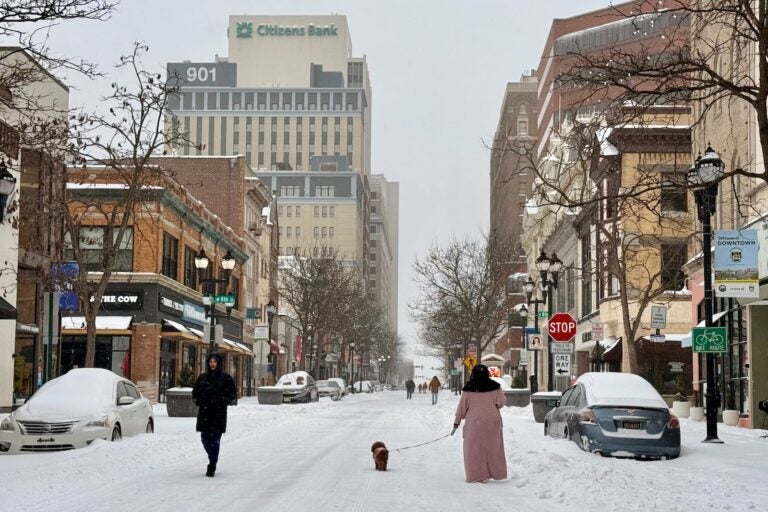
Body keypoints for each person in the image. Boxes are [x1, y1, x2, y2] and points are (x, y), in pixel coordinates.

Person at [451, 364, 507, 483]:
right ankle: (496, 472)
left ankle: (476, 475)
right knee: (494, 448)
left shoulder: (469, 388)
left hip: (474, 423)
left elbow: (461, 408)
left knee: (474, 449)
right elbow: (501, 403)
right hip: (492, 422)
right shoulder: (495, 387)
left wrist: (456, 423)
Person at [192, 352, 237, 478]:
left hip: (218, 414)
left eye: (215, 362)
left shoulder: (226, 378)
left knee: (215, 441)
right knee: (205, 439)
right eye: (210, 362)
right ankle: (212, 457)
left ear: (219, 363)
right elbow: (195, 393)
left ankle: (212, 464)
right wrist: (199, 401)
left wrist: (221, 401)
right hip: (205, 413)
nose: (212, 364)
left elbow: (232, 395)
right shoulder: (202, 377)